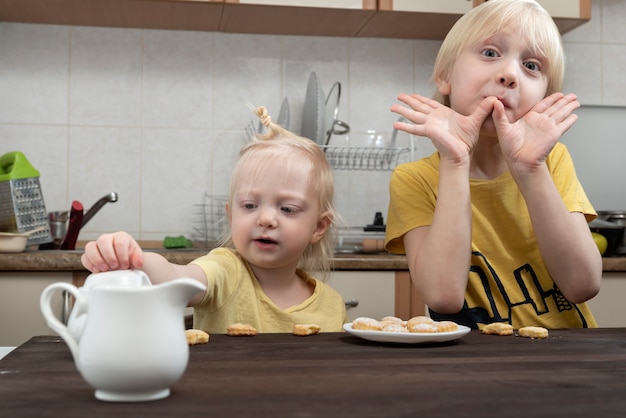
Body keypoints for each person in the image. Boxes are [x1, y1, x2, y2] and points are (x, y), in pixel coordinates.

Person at [385, 0, 601, 330]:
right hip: (470, 365)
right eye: (489, 53)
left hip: (563, 356)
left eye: (531, 65)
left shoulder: (552, 162)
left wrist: (530, 169)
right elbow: (443, 297)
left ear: (543, 99)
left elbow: (583, 284)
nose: (509, 74)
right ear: (445, 76)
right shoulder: (413, 179)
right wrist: (455, 160)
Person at [81, 106, 348, 333]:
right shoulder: (225, 271)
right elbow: (174, 277)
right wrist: (132, 257)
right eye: (250, 205)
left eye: (287, 209)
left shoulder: (333, 307)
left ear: (319, 226)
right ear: (231, 215)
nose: (266, 219)